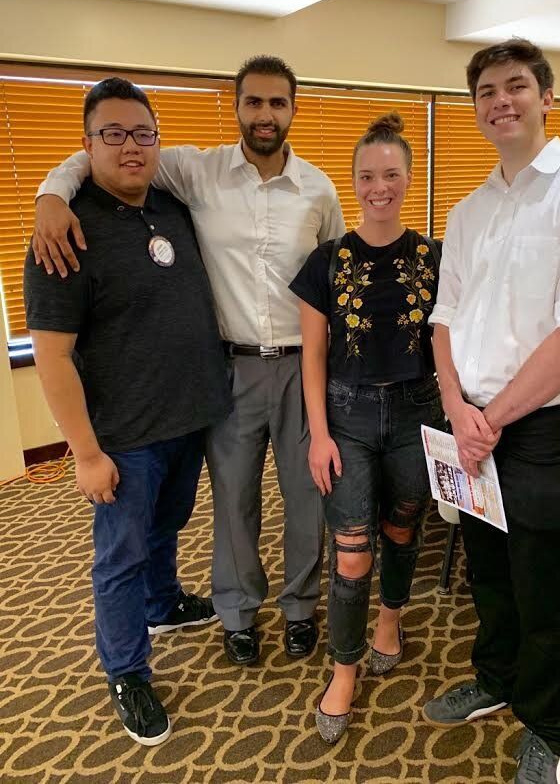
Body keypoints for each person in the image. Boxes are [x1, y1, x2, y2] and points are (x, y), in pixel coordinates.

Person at [31, 56, 345, 666]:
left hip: (303, 364)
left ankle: (302, 606)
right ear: (236, 107)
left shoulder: (319, 189)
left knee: (307, 493)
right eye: (253, 102)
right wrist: (49, 193)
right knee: (233, 499)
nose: (264, 114)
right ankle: (237, 612)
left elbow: (331, 281)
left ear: (293, 111)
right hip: (228, 370)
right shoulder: (194, 170)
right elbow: (107, 150)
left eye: (277, 103)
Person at [422, 40, 560, 784]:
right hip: (467, 421)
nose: (499, 100)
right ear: (474, 105)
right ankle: (495, 677)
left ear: (547, 97)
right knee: (485, 572)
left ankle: (547, 726)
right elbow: (443, 317)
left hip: (536, 430)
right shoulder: (468, 209)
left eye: (515, 86)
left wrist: (494, 418)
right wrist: (454, 404)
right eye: (485, 90)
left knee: (539, 584)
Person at [23, 78, 232, 745]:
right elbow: (52, 358)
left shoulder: (172, 204)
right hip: (122, 438)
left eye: (143, 133)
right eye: (112, 134)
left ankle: (162, 601)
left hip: (188, 417)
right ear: (86, 146)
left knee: (168, 526)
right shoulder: (65, 230)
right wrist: (84, 454)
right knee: (119, 554)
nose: (131, 147)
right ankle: (126, 669)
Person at [289, 113, 444, 743]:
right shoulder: (324, 262)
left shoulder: (435, 259)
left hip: (417, 411)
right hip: (346, 417)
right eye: (366, 175)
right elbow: (313, 356)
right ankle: (344, 669)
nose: (379, 185)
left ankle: (391, 616)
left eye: (391, 174)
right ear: (353, 182)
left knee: (402, 527)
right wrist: (319, 435)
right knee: (351, 553)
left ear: (408, 178)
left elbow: (447, 343)